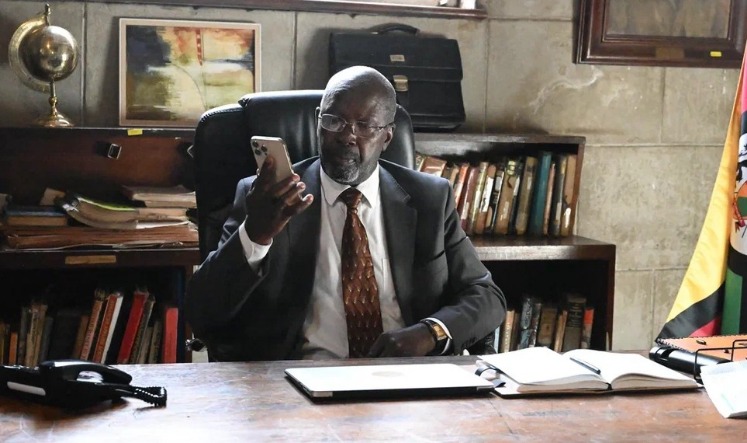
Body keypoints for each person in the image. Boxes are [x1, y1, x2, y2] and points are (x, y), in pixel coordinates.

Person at [185, 65, 506, 361]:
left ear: (387, 136)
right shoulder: (268, 198)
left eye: (365, 126)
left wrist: (429, 333)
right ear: (318, 120)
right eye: (334, 121)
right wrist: (256, 234)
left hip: (406, 381)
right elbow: (201, 312)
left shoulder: (429, 199)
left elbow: (485, 295)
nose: (347, 136)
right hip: (299, 381)